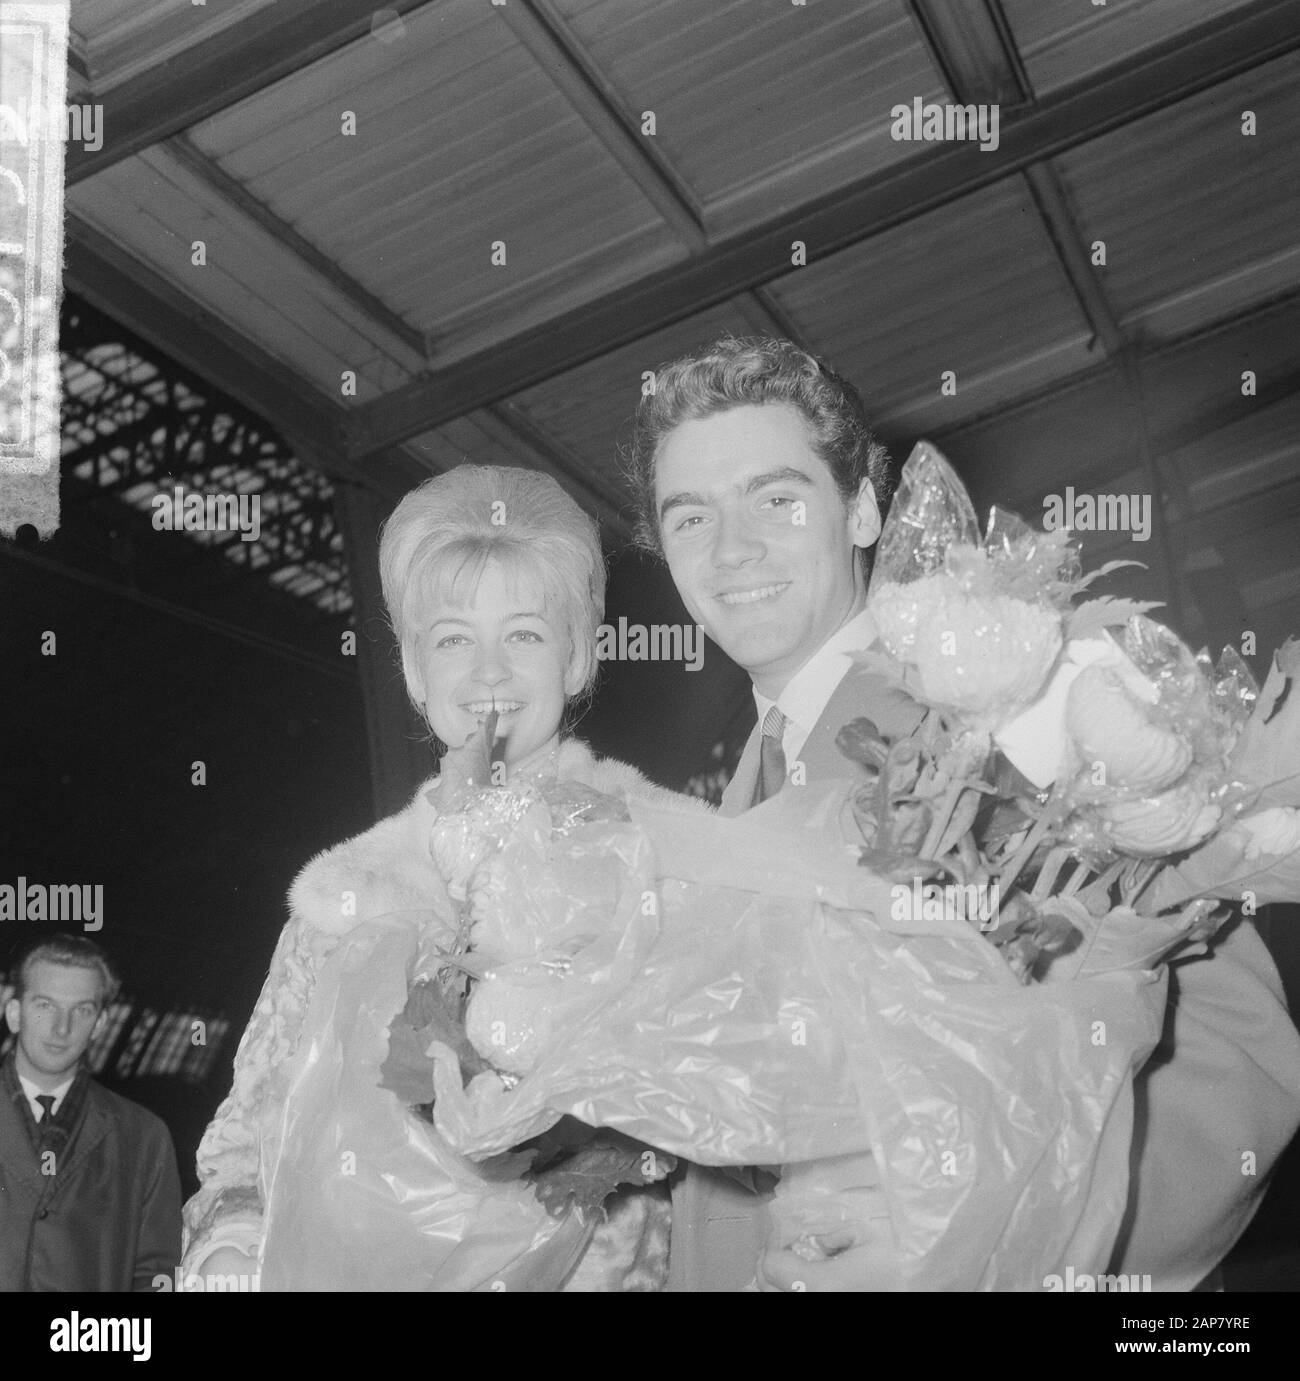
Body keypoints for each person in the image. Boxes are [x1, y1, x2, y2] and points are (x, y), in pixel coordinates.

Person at [626, 333, 1300, 1291]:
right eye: (691, 519)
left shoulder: (1021, 697)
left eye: (777, 499)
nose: (733, 550)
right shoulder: (702, 827)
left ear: (861, 507)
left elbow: (1236, 1056)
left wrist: (997, 1231)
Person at [182, 465, 695, 1291]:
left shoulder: (661, 855)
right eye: (453, 637)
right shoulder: (343, 896)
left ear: (579, 658)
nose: (487, 673)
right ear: (416, 674)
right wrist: (233, 1247)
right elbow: (246, 1142)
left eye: (524, 634)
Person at [1, 933, 182, 1291]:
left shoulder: (144, 1137)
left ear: (100, 1024)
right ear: (14, 1013)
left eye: (81, 1010)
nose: (61, 1028)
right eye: (45, 1005)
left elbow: (158, 1273)